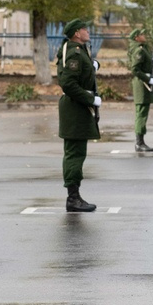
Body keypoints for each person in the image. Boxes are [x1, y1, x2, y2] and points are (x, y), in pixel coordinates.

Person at [57, 19, 102, 212]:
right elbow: (68, 83)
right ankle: (72, 198)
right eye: (84, 29)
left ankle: (74, 196)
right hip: (75, 108)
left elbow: (82, 72)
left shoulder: (78, 49)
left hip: (79, 107)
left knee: (78, 153)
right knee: (74, 153)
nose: (87, 31)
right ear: (76, 33)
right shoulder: (74, 52)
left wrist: (92, 66)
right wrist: (89, 99)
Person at [128, 26, 153, 153]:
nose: (144, 36)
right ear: (136, 37)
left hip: (144, 84)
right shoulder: (139, 50)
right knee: (141, 114)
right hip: (142, 85)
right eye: (142, 34)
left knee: (143, 112)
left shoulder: (142, 48)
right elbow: (135, 69)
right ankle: (139, 142)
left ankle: (140, 141)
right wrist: (147, 79)